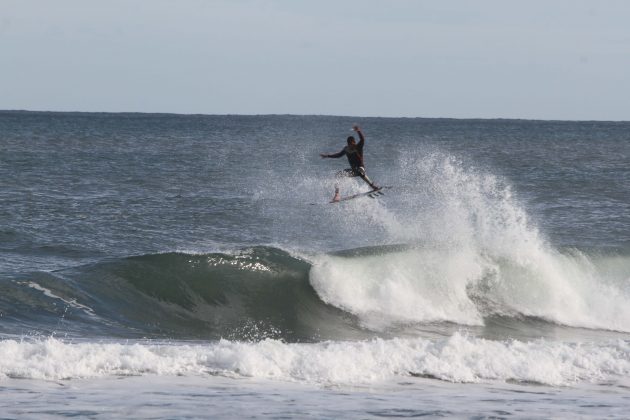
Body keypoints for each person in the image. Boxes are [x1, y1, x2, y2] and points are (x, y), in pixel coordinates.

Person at [320, 125, 379, 201]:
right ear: (348, 144)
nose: (351, 146)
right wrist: (327, 156)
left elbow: (362, 139)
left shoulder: (358, 147)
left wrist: (358, 131)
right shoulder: (346, 149)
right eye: (350, 145)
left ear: (354, 143)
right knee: (338, 175)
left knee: (360, 171)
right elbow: (338, 155)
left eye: (352, 144)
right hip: (353, 171)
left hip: (361, 169)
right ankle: (337, 195)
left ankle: (373, 186)